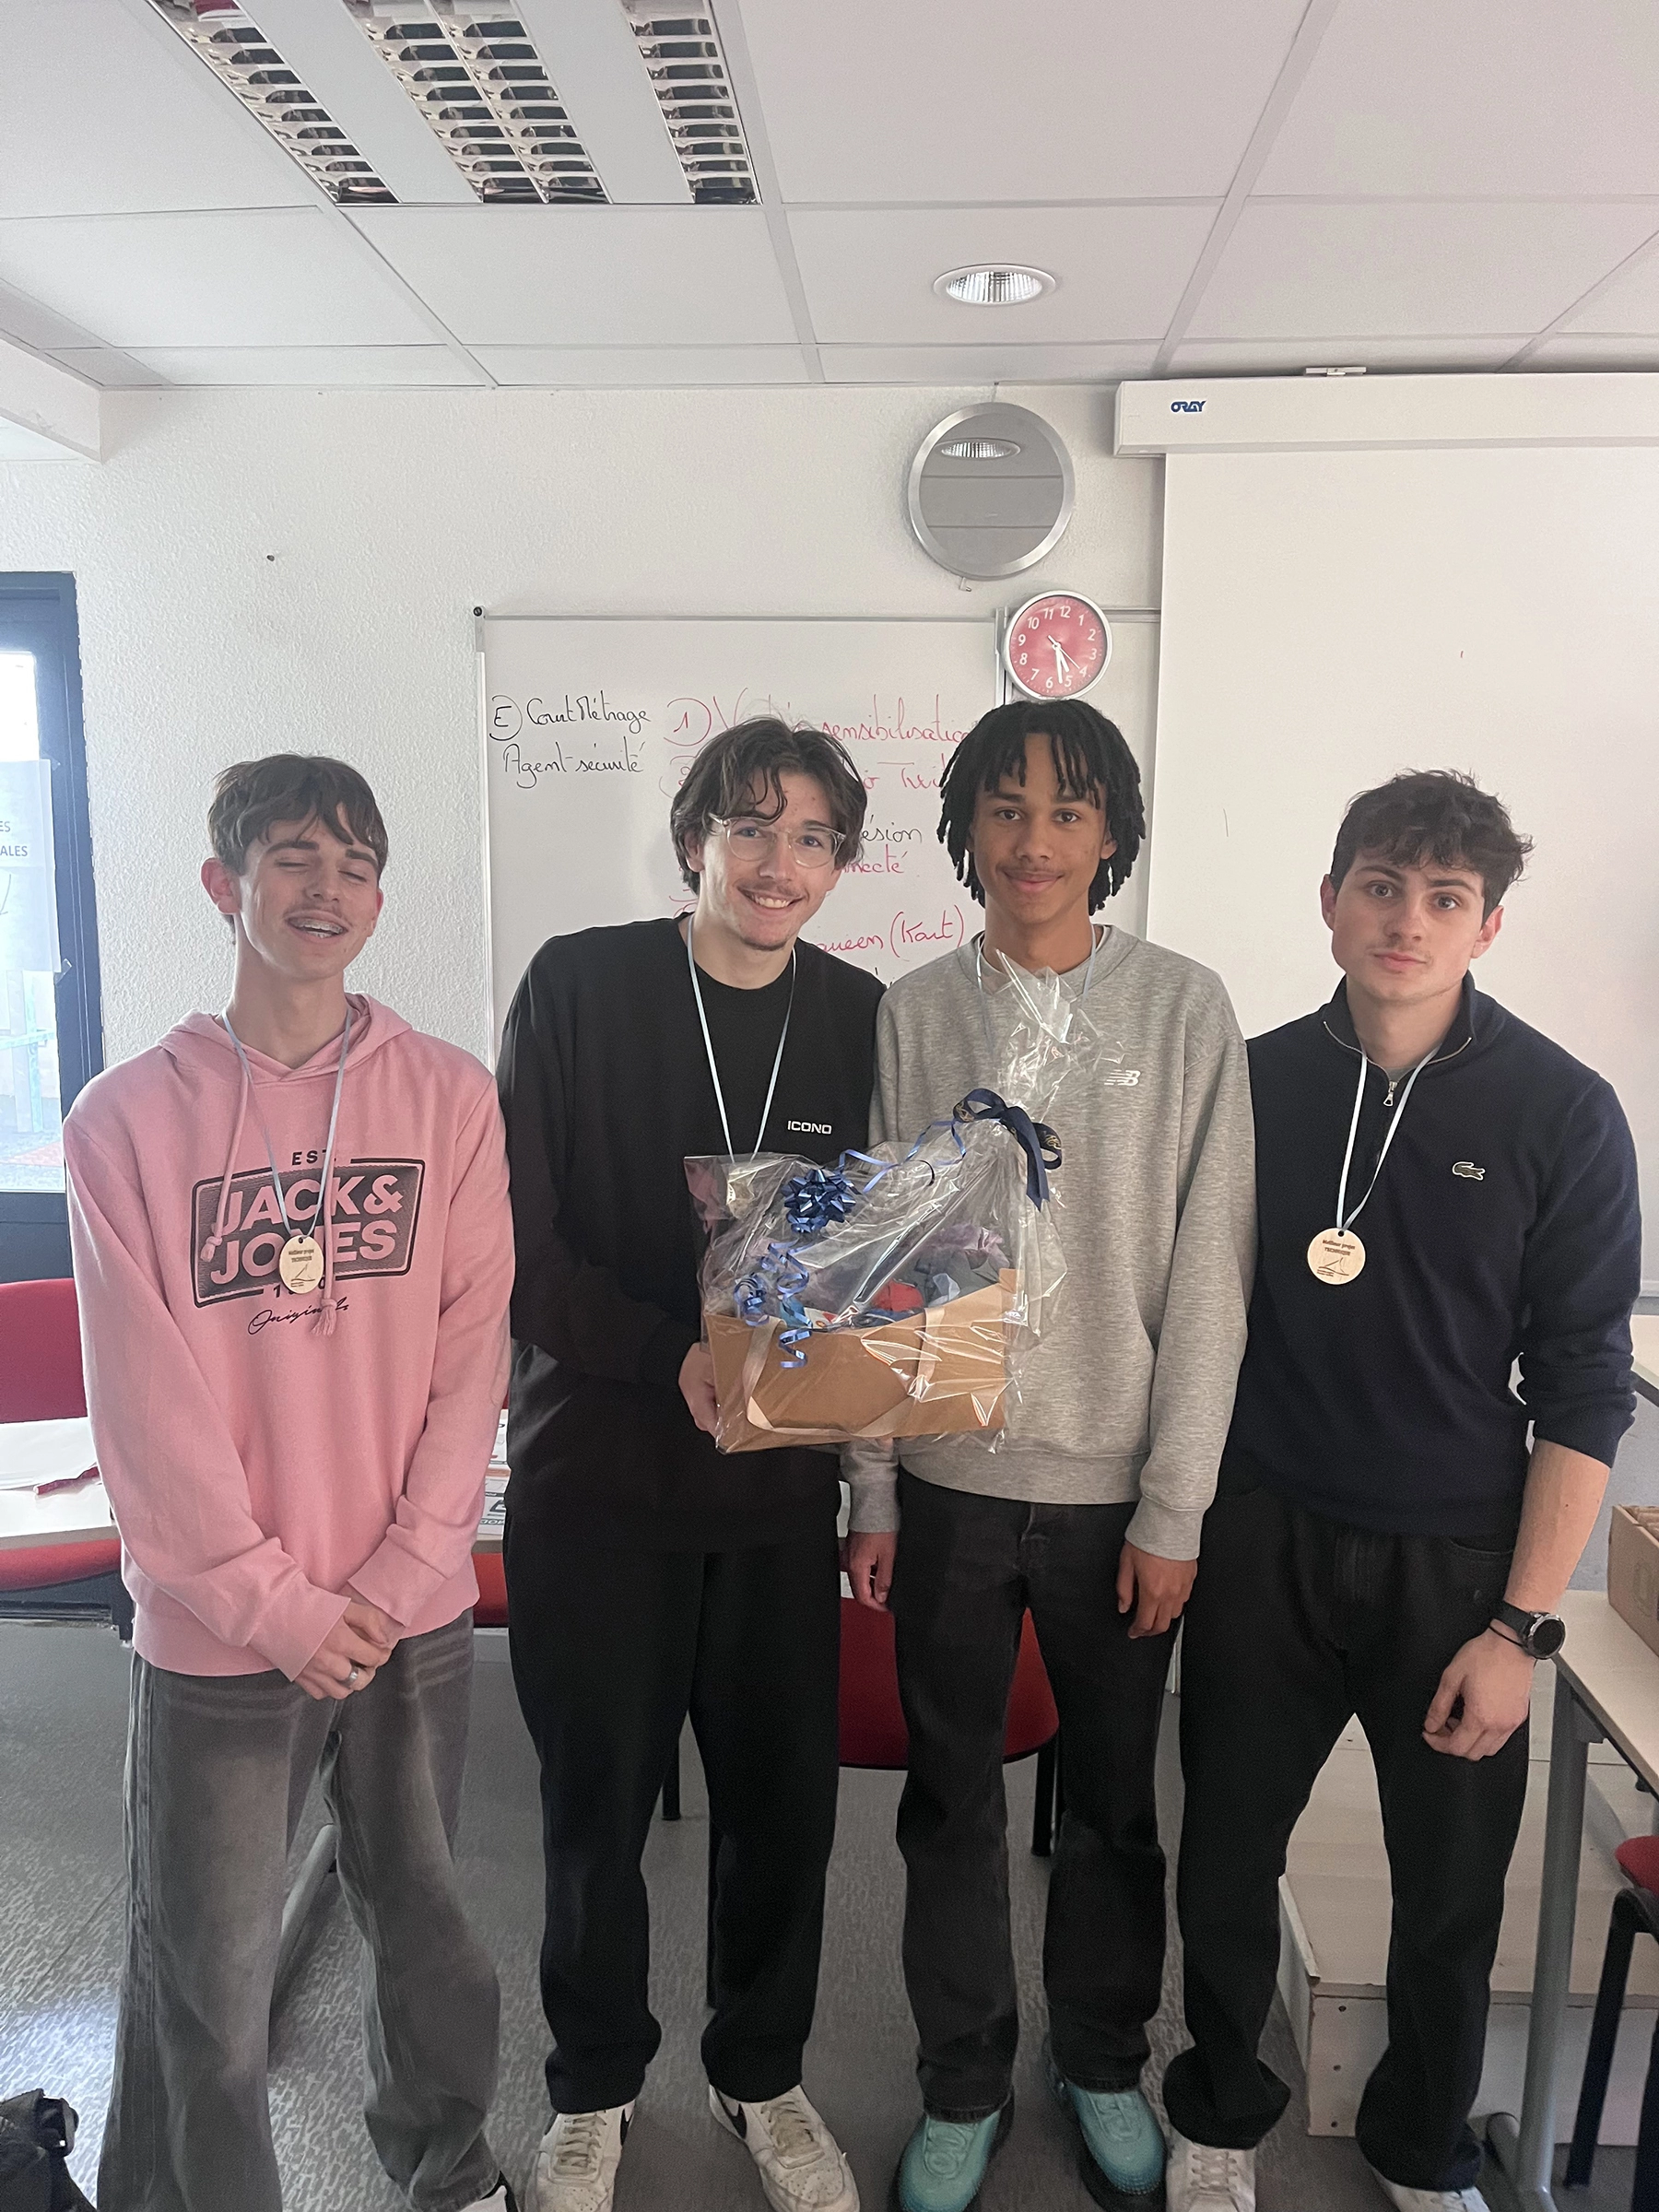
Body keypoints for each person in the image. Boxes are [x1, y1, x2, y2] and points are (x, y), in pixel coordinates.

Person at [1162, 771, 1641, 2212]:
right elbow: (1185, 1318)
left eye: (1444, 898)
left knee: (1449, 1898)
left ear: (1487, 926)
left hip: (1458, 1567)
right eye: (1380, 886)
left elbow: (1584, 1390)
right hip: (1263, 1539)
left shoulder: (1565, 1112)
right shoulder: (1247, 1083)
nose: (1405, 922)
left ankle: (1421, 2149)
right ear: (1330, 902)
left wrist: (1522, 1629)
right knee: (1226, 1859)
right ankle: (1219, 2113)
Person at [65, 755, 517, 2212]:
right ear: (227, 884)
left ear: (381, 900)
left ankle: (449, 2168)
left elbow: (472, 1350)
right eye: (295, 859)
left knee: (428, 1928)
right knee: (207, 1974)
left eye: (357, 865)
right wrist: (272, 1602)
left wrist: (403, 1570)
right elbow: (146, 1410)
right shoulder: (124, 1122)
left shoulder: (447, 1098)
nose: (329, 890)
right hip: (221, 1631)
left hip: (407, 1613)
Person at [843, 699, 1256, 2212]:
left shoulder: (1185, 1009)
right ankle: (962, 2080)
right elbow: (884, 1267)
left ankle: (1100, 2061)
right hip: (950, 1490)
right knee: (949, 1800)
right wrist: (874, 1485)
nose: (1034, 840)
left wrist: (1176, 1506)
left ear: (1111, 833)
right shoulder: (914, 1014)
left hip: (1115, 1502)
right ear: (966, 830)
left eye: (1067, 810)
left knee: (1114, 1809)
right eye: (1005, 808)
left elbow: (1210, 1276)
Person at [497, 717, 883, 2212]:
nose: (780, 863)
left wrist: (865, 1454)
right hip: (598, 1481)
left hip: (775, 1495)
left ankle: (760, 2075)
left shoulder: (857, 1016)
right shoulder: (579, 986)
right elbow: (519, 1248)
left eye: (813, 838)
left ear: (839, 864)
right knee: (594, 1811)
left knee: (784, 1810)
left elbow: (880, 1261)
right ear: (692, 839)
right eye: (752, 827)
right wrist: (668, 1353)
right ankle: (592, 2086)